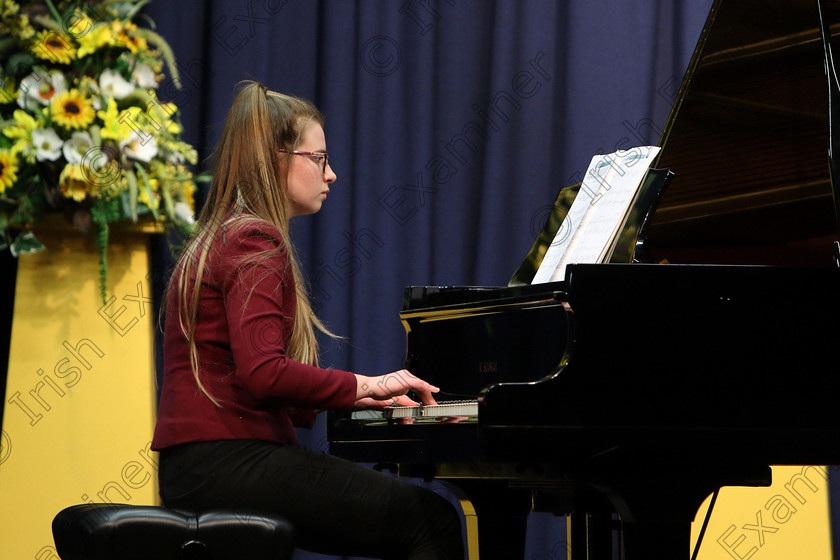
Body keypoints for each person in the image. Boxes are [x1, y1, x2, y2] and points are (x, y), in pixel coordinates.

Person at [151, 81, 464, 559]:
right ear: (278, 159)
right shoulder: (254, 240)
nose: (331, 174)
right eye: (318, 159)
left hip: (197, 468)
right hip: (230, 462)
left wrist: (359, 400)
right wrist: (367, 383)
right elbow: (264, 374)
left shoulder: (219, 236)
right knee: (432, 520)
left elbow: (262, 384)